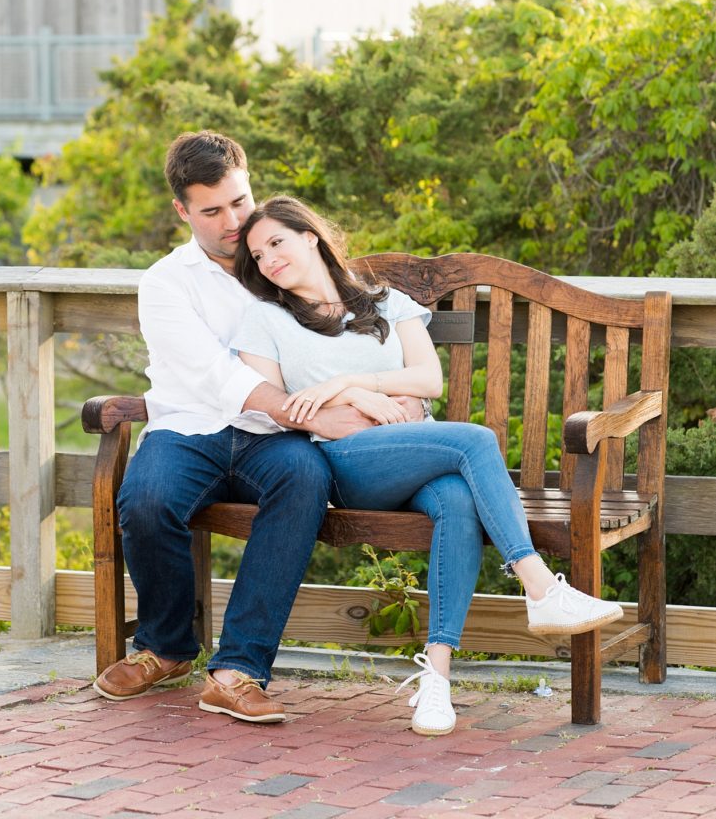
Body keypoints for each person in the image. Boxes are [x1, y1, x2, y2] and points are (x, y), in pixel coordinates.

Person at [232, 196, 624, 737]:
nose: (268, 259)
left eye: (276, 242)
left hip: (411, 448)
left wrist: (352, 384)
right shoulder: (265, 317)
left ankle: (436, 679)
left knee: (459, 502)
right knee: (476, 441)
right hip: (342, 462)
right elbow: (279, 406)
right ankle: (540, 587)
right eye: (257, 255)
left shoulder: (385, 301)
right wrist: (355, 407)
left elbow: (428, 381)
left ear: (310, 236)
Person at [92, 130, 422, 724]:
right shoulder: (166, 283)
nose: (233, 221)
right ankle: (165, 647)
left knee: (302, 484)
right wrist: (320, 412)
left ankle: (238, 669)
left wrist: (377, 400)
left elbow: (348, 343)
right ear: (182, 210)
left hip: (277, 439)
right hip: (191, 428)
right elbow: (218, 379)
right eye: (212, 210)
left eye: (240, 202)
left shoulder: (279, 261)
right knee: (145, 500)